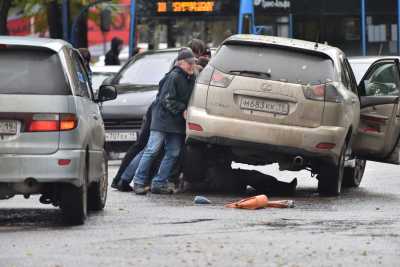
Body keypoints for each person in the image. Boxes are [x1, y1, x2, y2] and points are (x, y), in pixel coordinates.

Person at [132, 48, 196, 195]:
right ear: (180, 63)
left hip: (174, 120)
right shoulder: (174, 76)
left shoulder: (189, 77)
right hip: (163, 119)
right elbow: (166, 99)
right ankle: (139, 181)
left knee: (173, 152)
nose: (192, 66)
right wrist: (182, 109)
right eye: (189, 63)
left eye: (193, 63)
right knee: (152, 150)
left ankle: (159, 183)